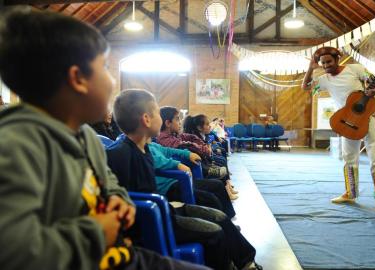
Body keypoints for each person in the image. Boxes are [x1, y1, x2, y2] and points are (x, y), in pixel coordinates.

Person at [0, 9, 210, 270]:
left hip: (118, 254)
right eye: (105, 68)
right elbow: (15, 252)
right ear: (78, 79)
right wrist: (96, 232)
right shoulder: (17, 146)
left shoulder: (85, 135)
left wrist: (118, 201)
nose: (112, 82)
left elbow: (110, 184)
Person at [107, 89, 261, 270]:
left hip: (166, 210)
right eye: (157, 112)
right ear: (147, 119)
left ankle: (246, 262)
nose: (160, 117)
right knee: (215, 233)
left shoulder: (146, 148)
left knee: (219, 217)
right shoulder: (119, 153)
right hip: (155, 222)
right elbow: (123, 197)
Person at [301, 46, 375, 213]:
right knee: (349, 158)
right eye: (323, 63)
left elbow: (372, 81)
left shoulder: (354, 69)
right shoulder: (324, 79)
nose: (326, 65)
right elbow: (305, 87)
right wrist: (310, 68)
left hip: (369, 117)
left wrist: (373, 88)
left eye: (329, 62)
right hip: (346, 121)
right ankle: (350, 193)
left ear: (337, 60)